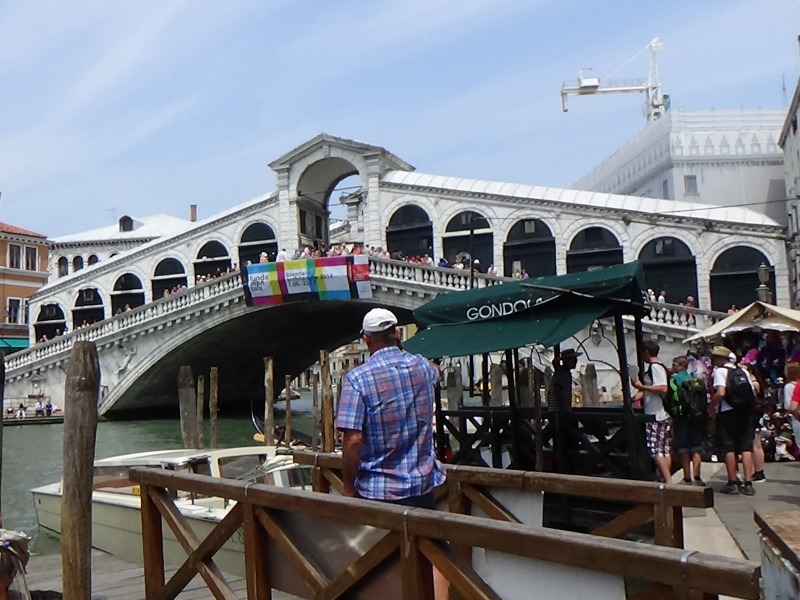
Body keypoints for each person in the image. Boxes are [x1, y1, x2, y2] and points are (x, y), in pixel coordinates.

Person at [336, 308, 447, 597]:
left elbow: (353, 441)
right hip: (422, 484)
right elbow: (437, 373)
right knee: (432, 554)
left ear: (365, 339)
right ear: (397, 334)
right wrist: (403, 348)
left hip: (378, 490)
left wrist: (348, 488)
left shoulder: (357, 380)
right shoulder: (422, 368)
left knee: (381, 563)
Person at [708, 345, 756, 495]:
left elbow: (721, 392)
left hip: (728, 413)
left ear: (720, 359)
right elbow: (753, 391)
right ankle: (748, 483)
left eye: (714, 358)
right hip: (746, 413)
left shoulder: (720, 371)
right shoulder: (743, 371)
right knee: (746, 447)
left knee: (729, 447)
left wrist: (711, 406)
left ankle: (732, 482)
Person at [632, 340, 672, 483]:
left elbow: (662, 388)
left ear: (646, 352)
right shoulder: (658, 367)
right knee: (664, 449)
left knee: (656, 450)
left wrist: (640, 387)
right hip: (660, 414)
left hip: (656, 414)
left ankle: (667, 480)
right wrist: (634, 397)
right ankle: (665, 478)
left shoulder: (655, 367)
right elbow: (651, 391)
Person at [668, 356, 706, 485]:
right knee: (696, 448)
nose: (672, 366)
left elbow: (673, 397)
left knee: (683, 448)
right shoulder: (693, 379)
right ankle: (697, 476)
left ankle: (687, 477)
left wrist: (672, 413)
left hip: (682, 416)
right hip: (696, 417)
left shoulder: (674, 379)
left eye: (673, 364)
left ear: (680, 365)